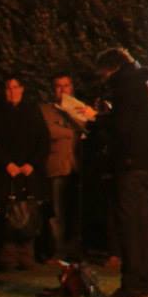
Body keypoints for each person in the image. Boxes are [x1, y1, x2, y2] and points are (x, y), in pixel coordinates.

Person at [92, 47, 148, 297]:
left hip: (131, 164)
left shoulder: (126, 88)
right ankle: (144, 281)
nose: (104, 80)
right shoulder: (146, 86)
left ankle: (133, 283)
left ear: (112, 68)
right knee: (144, 224)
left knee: (131, 226)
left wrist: (98, 120)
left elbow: (123, 128)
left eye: (104, 75)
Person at [0, 76, 50, 272]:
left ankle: (26, 254)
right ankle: (8, 255)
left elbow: (43, 139)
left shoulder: (32, 111)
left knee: (28, 211)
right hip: (7, 171)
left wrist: (32, 163)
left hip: (28, 170)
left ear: (22, 89)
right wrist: (6, 163)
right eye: (8, 88)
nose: (12, 92)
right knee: (8, 212)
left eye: (15, 88)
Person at [40, 74, 91, 260]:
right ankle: (58, 251)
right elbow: (50, 132)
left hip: (76, 167)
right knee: (57, 212)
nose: (62, 90)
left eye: (66, 86)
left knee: (75, 213)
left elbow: (88, 128)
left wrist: (72, 112)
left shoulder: (79, 109)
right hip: (57, 167)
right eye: (58, 86)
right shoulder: (45, 111)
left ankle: (75, 250)